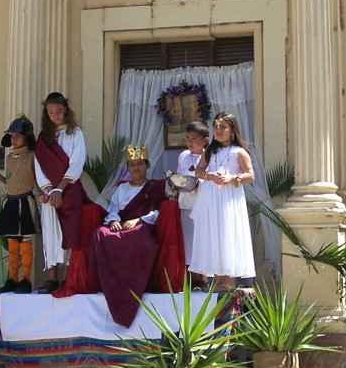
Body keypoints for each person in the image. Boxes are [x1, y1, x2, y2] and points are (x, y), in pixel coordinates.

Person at [88, 145, 185, 327]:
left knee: (140, 240)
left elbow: (158, 212)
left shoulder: (155, 187)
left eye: (140, 164)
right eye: (132, 165)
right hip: (121, 226)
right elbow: (113, 209)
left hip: (143, 227)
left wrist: (138, 220)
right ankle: (112, 285)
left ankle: (137, 286)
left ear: (147, 166)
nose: (136, 168)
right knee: (100, 234)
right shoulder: (121, 188)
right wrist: (113, 221)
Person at [33, 92, 92, 294]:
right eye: (51, 112)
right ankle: (51, 276)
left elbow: (77, 162)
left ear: (65, 109)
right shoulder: (43, 139)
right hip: (50, 194)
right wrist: (48, 190)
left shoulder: (75, 133)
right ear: (46, 113)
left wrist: (60, 188)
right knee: (50, 232)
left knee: (69, 231)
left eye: (58, 110)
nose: (55, 115)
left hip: (70, 190)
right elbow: (39, 166)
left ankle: (68, 276)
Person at [190, 113, 256, 290]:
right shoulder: (210, 151)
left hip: (229, 200)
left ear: (232, 130)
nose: (218, 131)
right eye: (216, 127)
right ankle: (218, 281)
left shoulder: (239, 152)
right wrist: (210, 176)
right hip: (211, 200)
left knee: (227, 235)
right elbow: (198, 171)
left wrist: (233, 179)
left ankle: (228, 284)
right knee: (214, 235)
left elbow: (251, 175)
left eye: (223, 127)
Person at [0, 116, 39, 294]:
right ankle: (12, 278)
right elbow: (11, 181)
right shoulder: (9, 157)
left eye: (18, 136)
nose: (14, 139)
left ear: (26, 137)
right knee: (12, 244)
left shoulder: (33, 156)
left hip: (25, 202)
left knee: (25, 243)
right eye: (12, 136)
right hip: (10, 202)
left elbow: (38, 180)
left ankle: (25, 279)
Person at [173, 121, 208, 288]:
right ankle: (189, 278)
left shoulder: (209, 156)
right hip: (186, 203)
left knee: (202, 242)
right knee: (188, 243)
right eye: (187, 138)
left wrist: (198, 182)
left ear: (204, 140)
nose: (189, 142)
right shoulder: (183, 156)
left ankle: (203, 278)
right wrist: (177, 181)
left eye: (194, 138)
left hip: (203, 205)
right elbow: (180, 175)